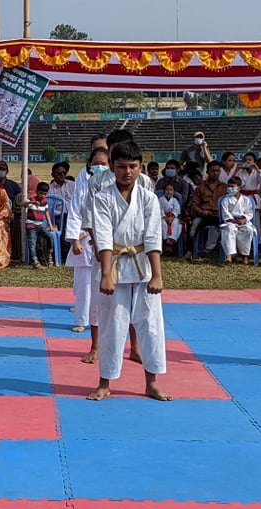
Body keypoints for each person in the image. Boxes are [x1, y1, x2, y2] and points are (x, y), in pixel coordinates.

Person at [88, 141, 170, 402]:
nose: (127, 172)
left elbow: (153, 237)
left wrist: (157, 275)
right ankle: (105, 383)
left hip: (142, 266)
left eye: (132, 166)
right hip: (114, 266)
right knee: (112, 326)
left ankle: (151, 383)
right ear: (112, 167)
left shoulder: (148, 198)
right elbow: (102, 236)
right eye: (121, 166)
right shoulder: (103, 198)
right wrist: (105, 274)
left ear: (140, 167)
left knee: (151, 326)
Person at [65, 149, 108, 334]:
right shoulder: (83, 181)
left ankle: (105, 322)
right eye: (96, 163)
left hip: (107, 240)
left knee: (106, 284)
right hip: (85, 238)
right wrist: (75, 240)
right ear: (89, 164)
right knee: (84, 285)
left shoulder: (115, 184)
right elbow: (75, 211)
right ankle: (82, 320)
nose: (99, 167)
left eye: (103, 164)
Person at [187, 161, 228, 259]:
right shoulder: (200, 188)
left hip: (219, 216)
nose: (215, 173)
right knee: (193, 226)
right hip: (204, 215)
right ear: (207, 172)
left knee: (229, 227)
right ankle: (189, 251)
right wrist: (201, 212)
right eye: (213, 171)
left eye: (218, 171)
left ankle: (229, 253)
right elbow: (194, 205)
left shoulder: (224, 187)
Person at [220, 176, 256, 265]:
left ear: (239, 188)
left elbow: (250, 213)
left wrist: (244, 219)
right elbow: (225, 213)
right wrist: (233, 221)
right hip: (231, 222)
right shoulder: (225, 200)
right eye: (229, 186)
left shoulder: (246, 200)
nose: (230, 189)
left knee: (248, 230)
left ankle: (245, 256)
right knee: (230, 229)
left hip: (243, 222)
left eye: (232, 187)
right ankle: (229, 256)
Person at [22, 182, 56, 269]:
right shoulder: (32, 199)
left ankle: (49, 255)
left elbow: (47, 214)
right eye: (40, 193)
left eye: (45, 194)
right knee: (32, 243)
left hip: (40, 226)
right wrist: (32, 202)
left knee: (50, 237)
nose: (42, 196)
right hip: (31, 226)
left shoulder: (45, 202)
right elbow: (22, 204)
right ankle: (35, 260)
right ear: (36, 192)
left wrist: (51, 226)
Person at [159, 183, 182, 255]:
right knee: (163, 223)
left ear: (173, 192)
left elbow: (177, 210)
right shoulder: (160, 199)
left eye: (171, 190)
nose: (169, 191)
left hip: (172, 217)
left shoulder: (175, 200)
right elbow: (159, 209)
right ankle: (166, 239)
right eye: (167, 190)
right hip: (163, 217)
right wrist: (165, 217)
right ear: (164, 191)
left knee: (175, 223)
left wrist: (172, 217)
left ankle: (171, 240)